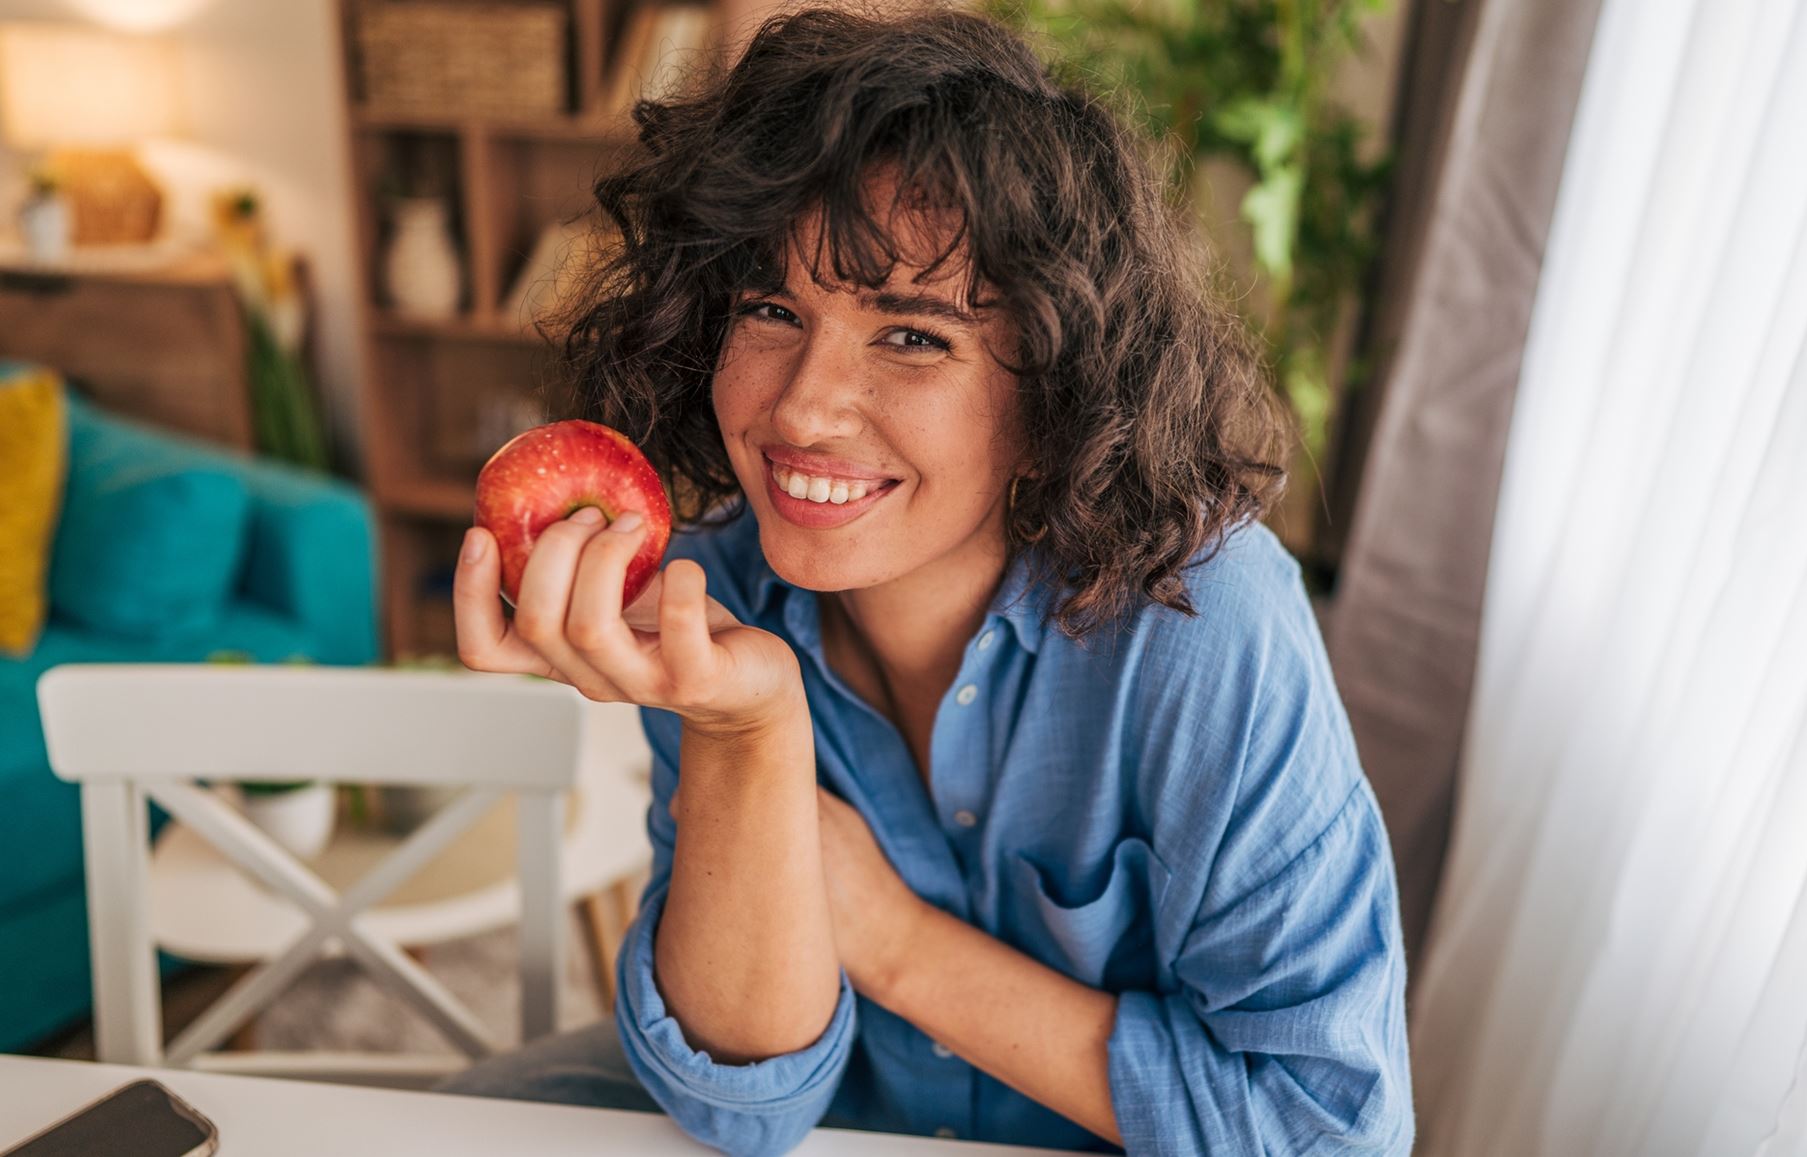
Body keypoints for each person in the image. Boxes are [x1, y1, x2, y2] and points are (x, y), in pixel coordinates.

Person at [440, 5, 1415, 1154]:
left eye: (911, 336)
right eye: (768, 308)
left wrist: (895, 940)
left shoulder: (1202, 617)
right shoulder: (713, 597)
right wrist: (742, 726)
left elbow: (1327, 1126)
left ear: (1057, 388)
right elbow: (740, 1108)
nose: (800, 406)